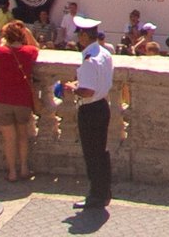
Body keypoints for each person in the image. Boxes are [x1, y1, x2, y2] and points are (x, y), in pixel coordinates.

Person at [71, 14, 115, 213]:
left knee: (92, 154)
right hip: (102, 106)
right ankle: (104, 192)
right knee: (101, 152)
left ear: (83, 36)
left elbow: (87, 90)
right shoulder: (104, 53)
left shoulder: (89, 59)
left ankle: (96, 195)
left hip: (89, 108)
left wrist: (71, 88)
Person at [0, 20, 40, 181]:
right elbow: (36, 46)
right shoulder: (29, 52)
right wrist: (27, 33)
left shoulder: (1, 52)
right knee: (23, 135)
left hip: (3, 98)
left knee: (9, 138)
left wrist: (3, 41)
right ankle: (24, 168)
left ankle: (12, 172)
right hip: (22, 99)